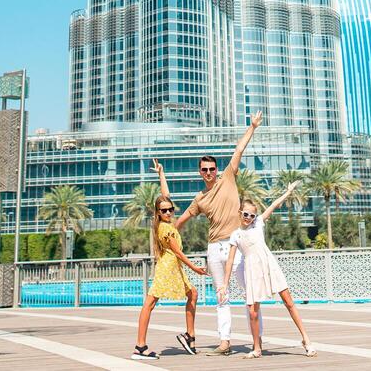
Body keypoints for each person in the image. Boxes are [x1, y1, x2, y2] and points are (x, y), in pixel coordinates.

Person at [154, 111, 263, 356]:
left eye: (212, 168)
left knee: (250, 295)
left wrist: (252, 127)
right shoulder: (200, 198)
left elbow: (239, 150)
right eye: (204, 170)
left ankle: (258, 341)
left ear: (217, 169)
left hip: (236, 245)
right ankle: (224, 342)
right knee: (221, 296)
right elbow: (181, 219)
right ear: (200, 172)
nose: (209, 173)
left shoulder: (228, 177)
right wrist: (165, 238)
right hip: (215, 249)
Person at [219, 184, 317, 360]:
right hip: (251, 269)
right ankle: (256, 348)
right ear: (239, 213)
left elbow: (273, 205)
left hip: (269, 265)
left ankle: (306, 340)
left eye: (252, 215)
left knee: (289, 302)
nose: (248, 218)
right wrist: (224, 284)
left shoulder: (258, 224)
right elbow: (231, 260)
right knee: (252, 311)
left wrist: (287, 192)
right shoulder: (236, 235)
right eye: (246, 214)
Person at [132, 193, 207, 362]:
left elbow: (165, 193)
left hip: (174, 268)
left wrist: (161, 173)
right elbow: (178, 252)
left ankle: (189, 336)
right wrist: (195, 268)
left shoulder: (166, 223)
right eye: (164, 210)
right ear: (158, 212)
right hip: (167, 268)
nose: (168, 213)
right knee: (149, 304)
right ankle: (139, 347)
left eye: (170, 209)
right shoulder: (165, 228)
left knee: (192, 294)